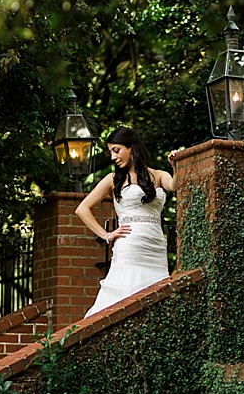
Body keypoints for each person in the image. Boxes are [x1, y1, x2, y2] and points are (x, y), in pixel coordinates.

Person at [76, 127, 177, 318]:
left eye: (117, 150)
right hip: (129, 247)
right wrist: (106, 235)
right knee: (124, 294)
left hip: (155, 248)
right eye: (111, 152)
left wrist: (176, 165)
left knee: (156, 298)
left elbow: (175, 185)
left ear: (131, 148)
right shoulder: (112, 179)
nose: (113, 157)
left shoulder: (158, 175)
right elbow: (82, 209)